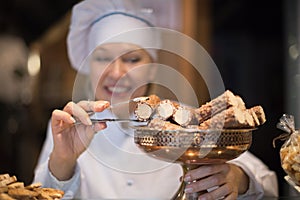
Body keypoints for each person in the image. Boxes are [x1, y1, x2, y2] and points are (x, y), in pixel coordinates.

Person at [33, 0, 278, 199]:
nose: (116, 73)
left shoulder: (188, 124)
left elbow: (268, 183)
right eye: (102, 58)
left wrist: (239, 178)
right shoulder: (68, 126)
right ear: (88, 66)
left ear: (152, 68)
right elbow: (35, 194)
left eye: (132, 60)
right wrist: (63, 161)